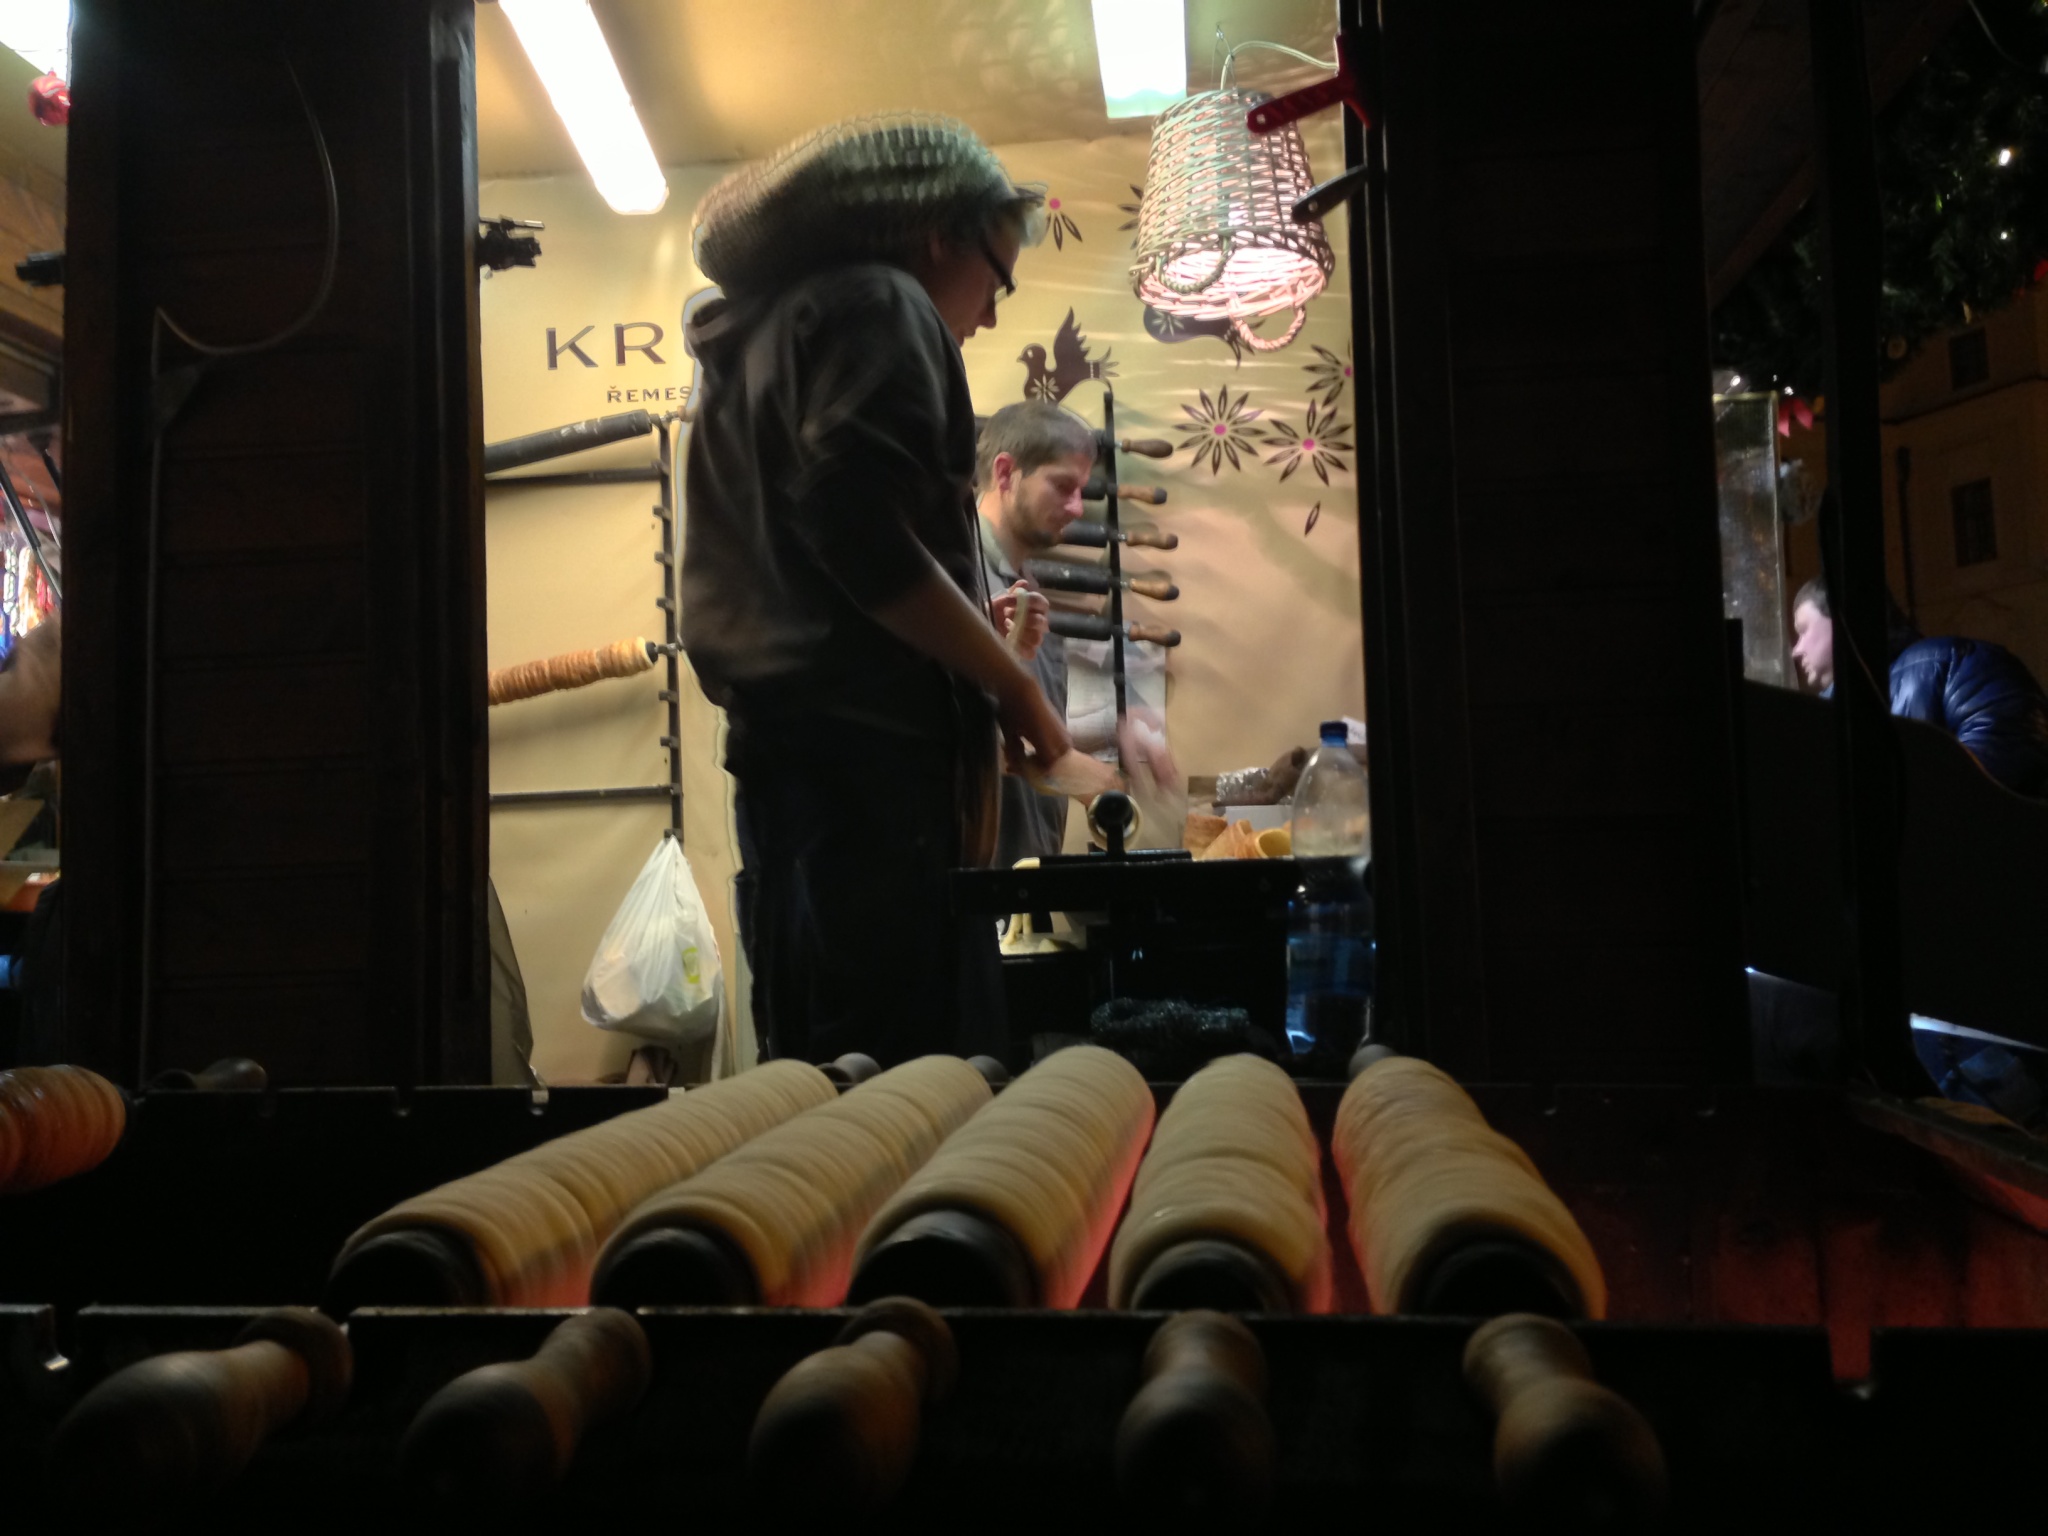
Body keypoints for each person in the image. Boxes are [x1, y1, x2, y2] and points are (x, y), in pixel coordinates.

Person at [680, 115, 1085, 1067]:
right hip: (872, 787)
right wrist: (1014, 688)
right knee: (908, 1092)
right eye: (998, 274)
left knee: (820, 1086)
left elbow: (831, 547)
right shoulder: (884, 303)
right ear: (940, 233)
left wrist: (962, 640)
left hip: (795, 772)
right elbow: (855, 533)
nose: (990, 312)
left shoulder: (766, 331)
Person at [1790, 575, 2048, 798]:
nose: (1796, 650)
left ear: (1843, 618)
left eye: (1802, 631)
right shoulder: (1827, 715)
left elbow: (2005, 748)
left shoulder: (1950, 663)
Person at [974, 402, 1095, 867]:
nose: (1077, 508)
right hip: (978, 875)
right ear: (1006, 473)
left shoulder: (1023, 580)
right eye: (1063, 486)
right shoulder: (955, 572)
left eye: (1081, 491)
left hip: (1021, 870)